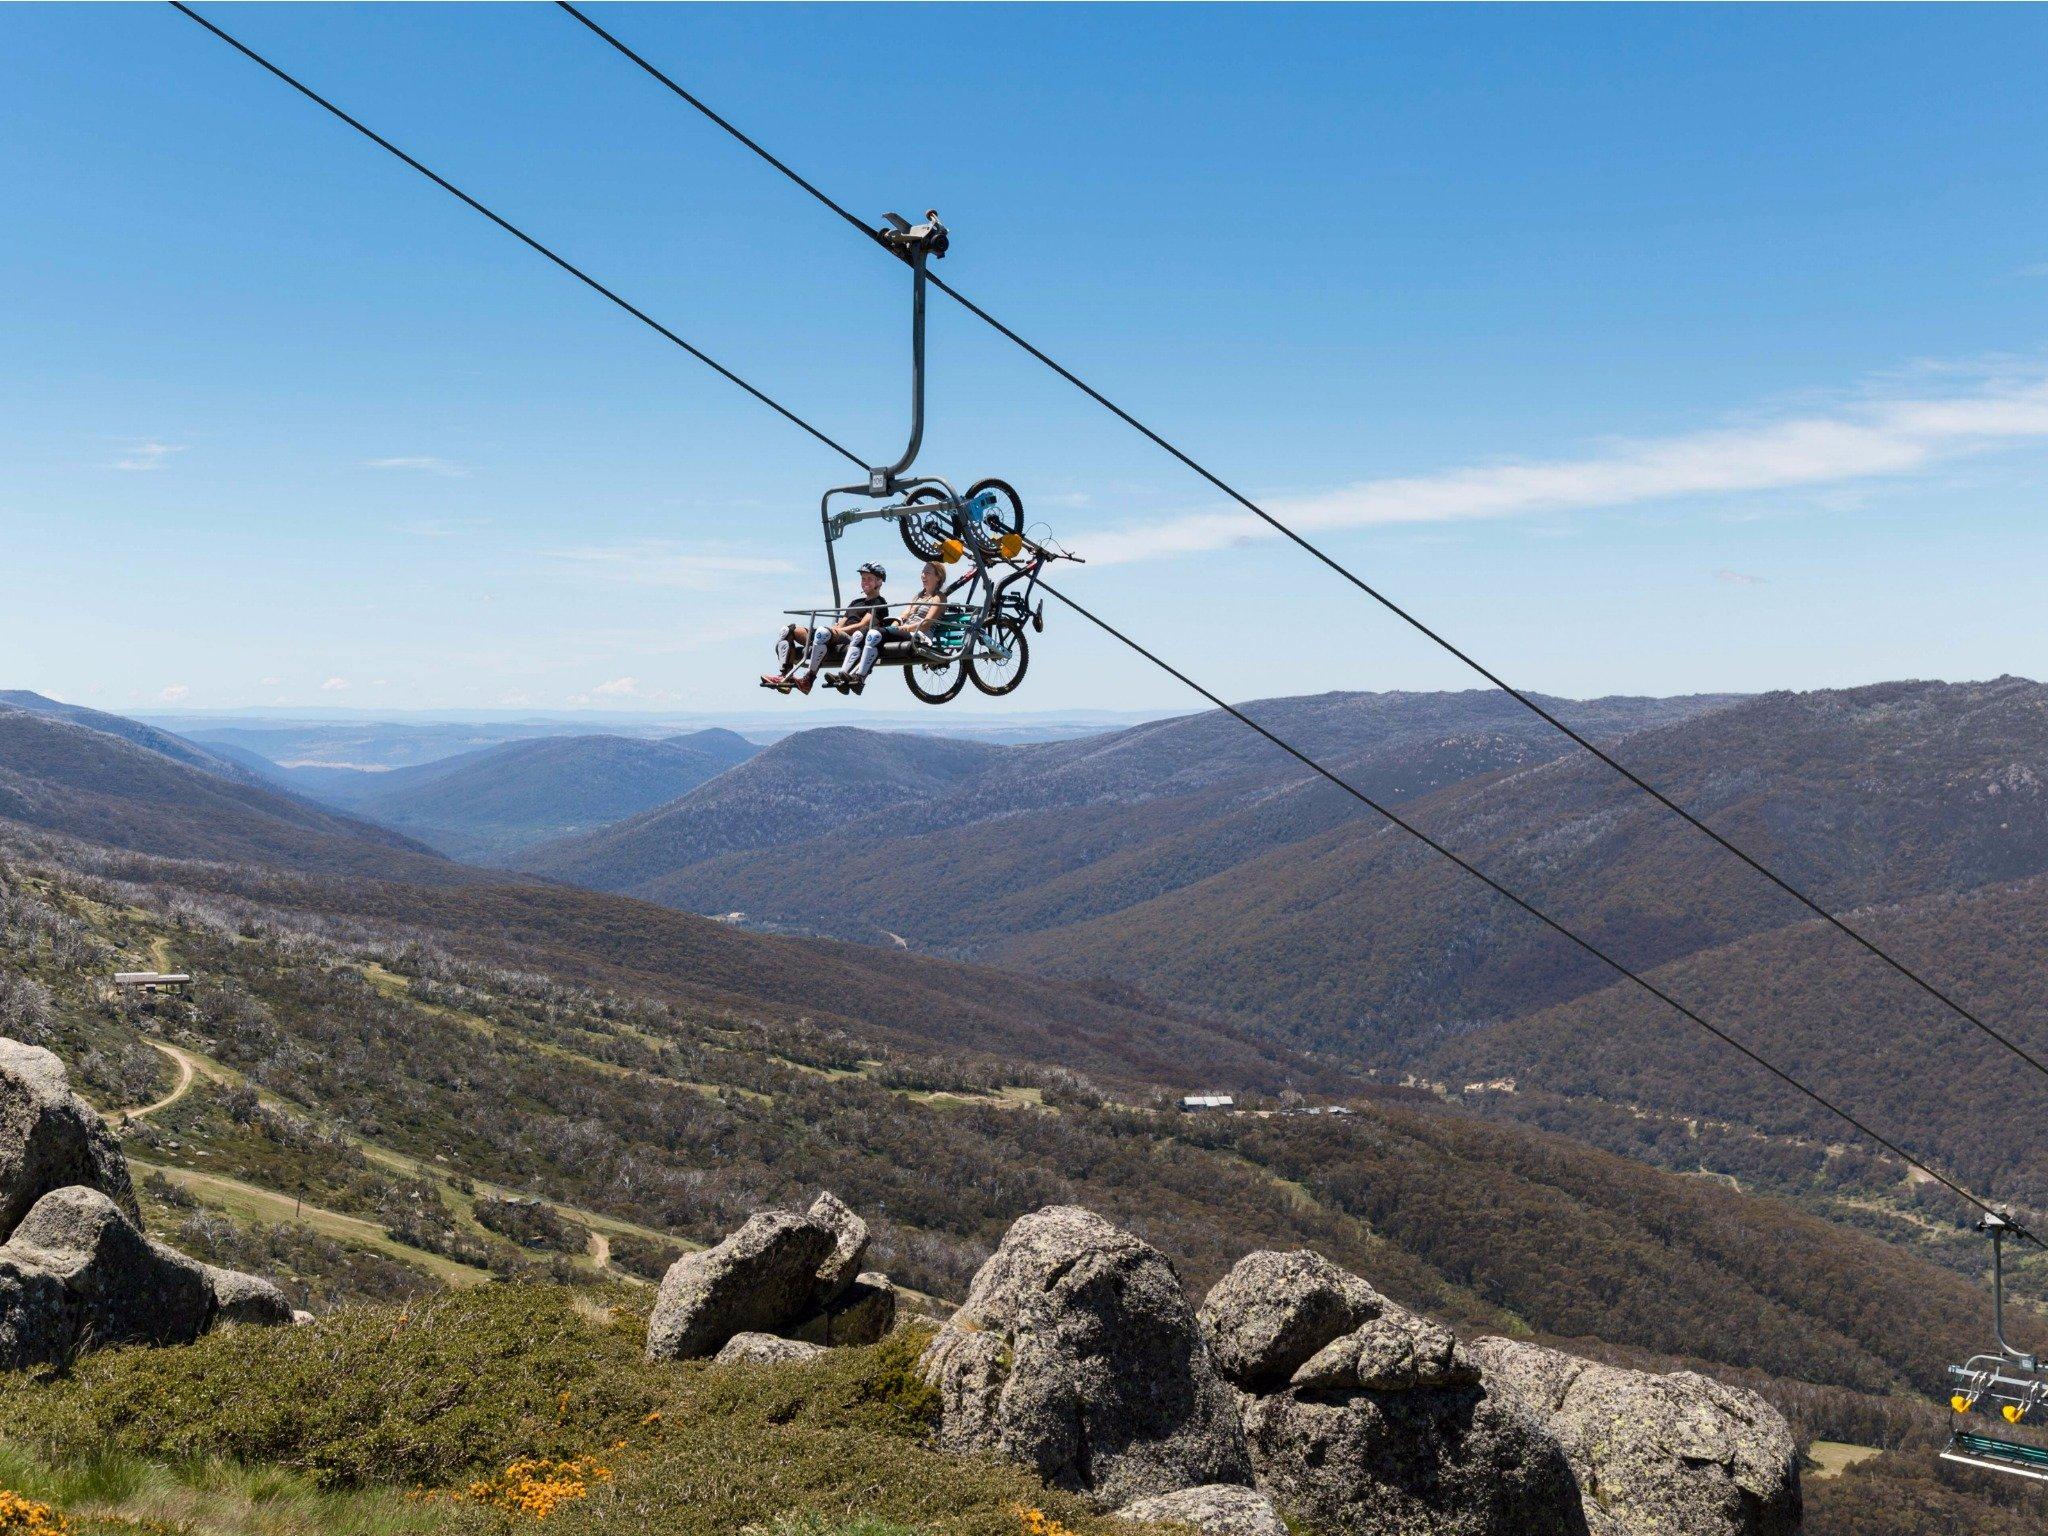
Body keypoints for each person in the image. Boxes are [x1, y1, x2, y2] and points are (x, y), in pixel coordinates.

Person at [763, 561, 889, 695]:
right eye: (863, 578)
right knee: (787, 630)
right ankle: (785, 676)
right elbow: (841, 623)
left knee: (823, 633)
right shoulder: (855, 602)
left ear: (879, 581)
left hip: (853, 639)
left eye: (869, 579)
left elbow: (863, 625)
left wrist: (836, 631)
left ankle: (808, 679)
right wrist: (834, 630)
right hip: (837, 634)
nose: (865, 582)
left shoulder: (879, 603)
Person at [828, 560, 948, 694]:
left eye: (927, 572)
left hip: (919, 635)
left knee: (874, 634)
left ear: (938, 577)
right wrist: (895, 626)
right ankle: (843, 675)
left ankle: (860, 678)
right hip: (905, 631)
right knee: (861, 634)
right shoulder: (918, 596)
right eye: (922, 572)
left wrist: (906, 628)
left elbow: (926, 624)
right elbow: (903, 616)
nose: (923, 575)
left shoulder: (939, 598)